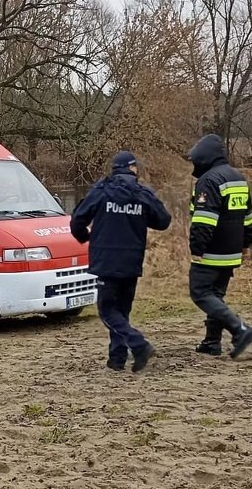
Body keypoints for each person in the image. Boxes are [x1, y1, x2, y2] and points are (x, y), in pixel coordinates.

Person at [70, 151, 172, 372]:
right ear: (133, 169)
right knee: (121, 312)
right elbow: (163, 221)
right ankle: (116, 359)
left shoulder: (101, 190)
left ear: (114, 168)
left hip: (106, 262)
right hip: (131, 261)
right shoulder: (142, 193)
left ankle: (138, 344)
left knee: (107, 311)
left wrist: (84, 237)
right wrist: (141, 216)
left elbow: (77, 219)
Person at [188, 134, 252, 358]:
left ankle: (240, 329)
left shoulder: (209, 180)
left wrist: (196, 249)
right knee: (215, 295)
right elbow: (249, 217)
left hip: (212, 251)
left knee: (200, 293)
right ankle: (212, 342)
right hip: (232, 251)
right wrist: (246, 243)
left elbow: (203, 221)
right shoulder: (238, 178)